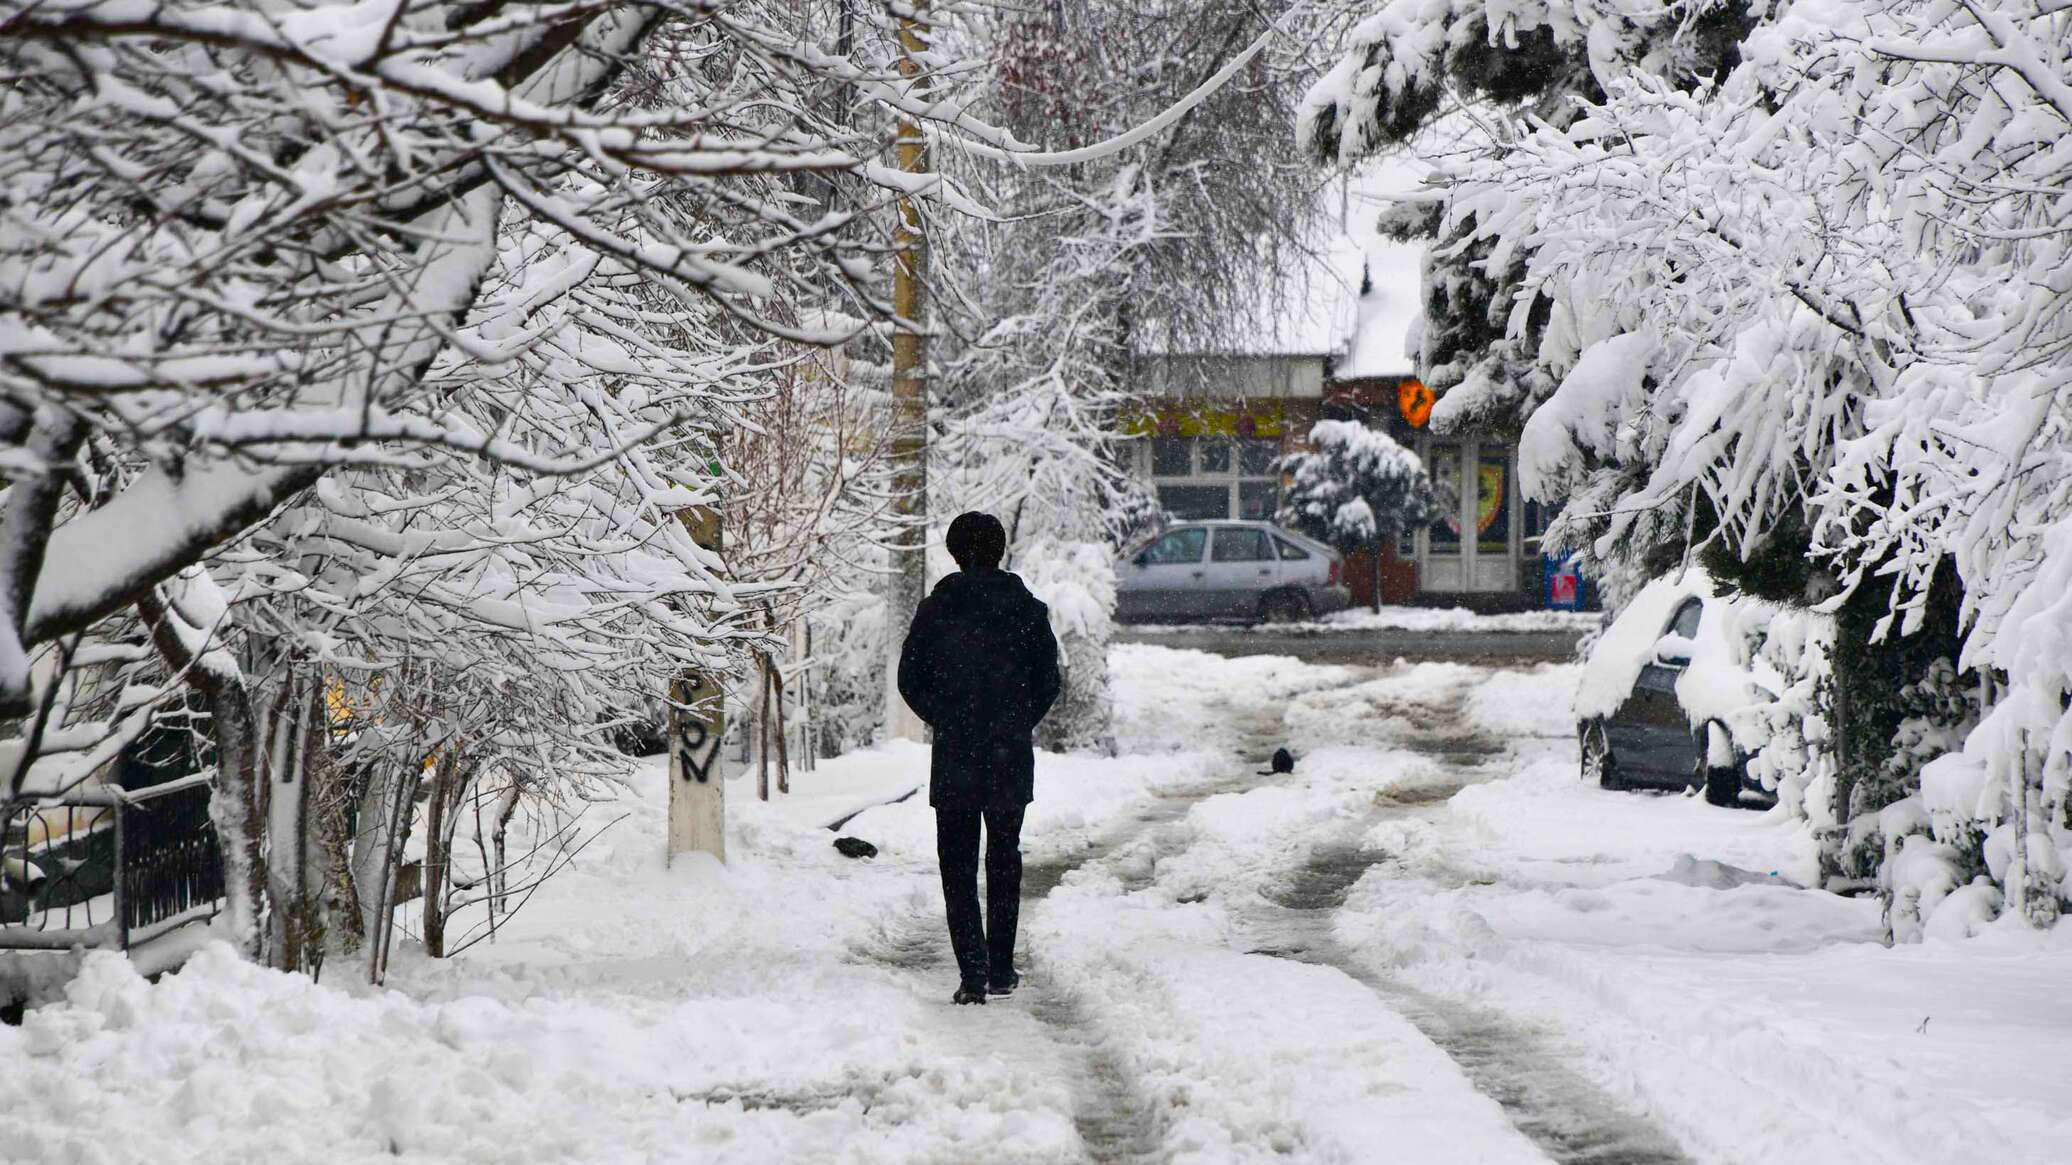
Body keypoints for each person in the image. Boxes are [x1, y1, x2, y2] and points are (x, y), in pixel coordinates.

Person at [897, 511, 1062, 1006]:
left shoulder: (937, 609)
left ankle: (972, 972)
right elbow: (1047, 681)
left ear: (953, 552)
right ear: (1000, 550)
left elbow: (910, 678)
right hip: (1009, 752)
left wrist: (946, 717)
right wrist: (1015, 720)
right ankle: (1002, 968)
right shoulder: (1028, 610)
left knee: (958, 864)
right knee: (1005, 859)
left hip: (956, 753)